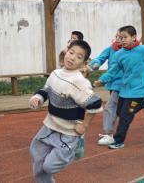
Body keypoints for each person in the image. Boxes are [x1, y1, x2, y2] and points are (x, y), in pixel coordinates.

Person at [29, 40, 103, 183]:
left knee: (49, 166)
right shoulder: (55, 73)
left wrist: (84, 126)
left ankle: (75, 147)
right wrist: (37, 98)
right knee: (36, 157)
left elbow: (95, 104)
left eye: (79, 57)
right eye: (71, 52)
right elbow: (46, 90)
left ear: (83, 63)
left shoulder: (79, 82)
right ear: (66, 52)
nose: (72, 57)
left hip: (68, 132)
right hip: (49, 126)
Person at [94, 25, 144, 149]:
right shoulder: (119, 54)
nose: (122, 40)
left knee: (125, 116)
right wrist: (101, 80)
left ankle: (118, 141)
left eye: (125, 37)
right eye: (120, 38)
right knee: (118, 111)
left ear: (134, 37)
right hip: (125, 90)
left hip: (139, 90)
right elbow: (112, 71)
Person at [87, 30, 123, 145]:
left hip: (124, 84)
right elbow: (100, 58)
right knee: (117, 109)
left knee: (110, 107)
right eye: (116, 36)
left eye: (121, 37)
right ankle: (111, 132)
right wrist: (95, 64)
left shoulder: (131, 51)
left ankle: (109, 134)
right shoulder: (110, 49)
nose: (118, 38)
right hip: (113, 83)